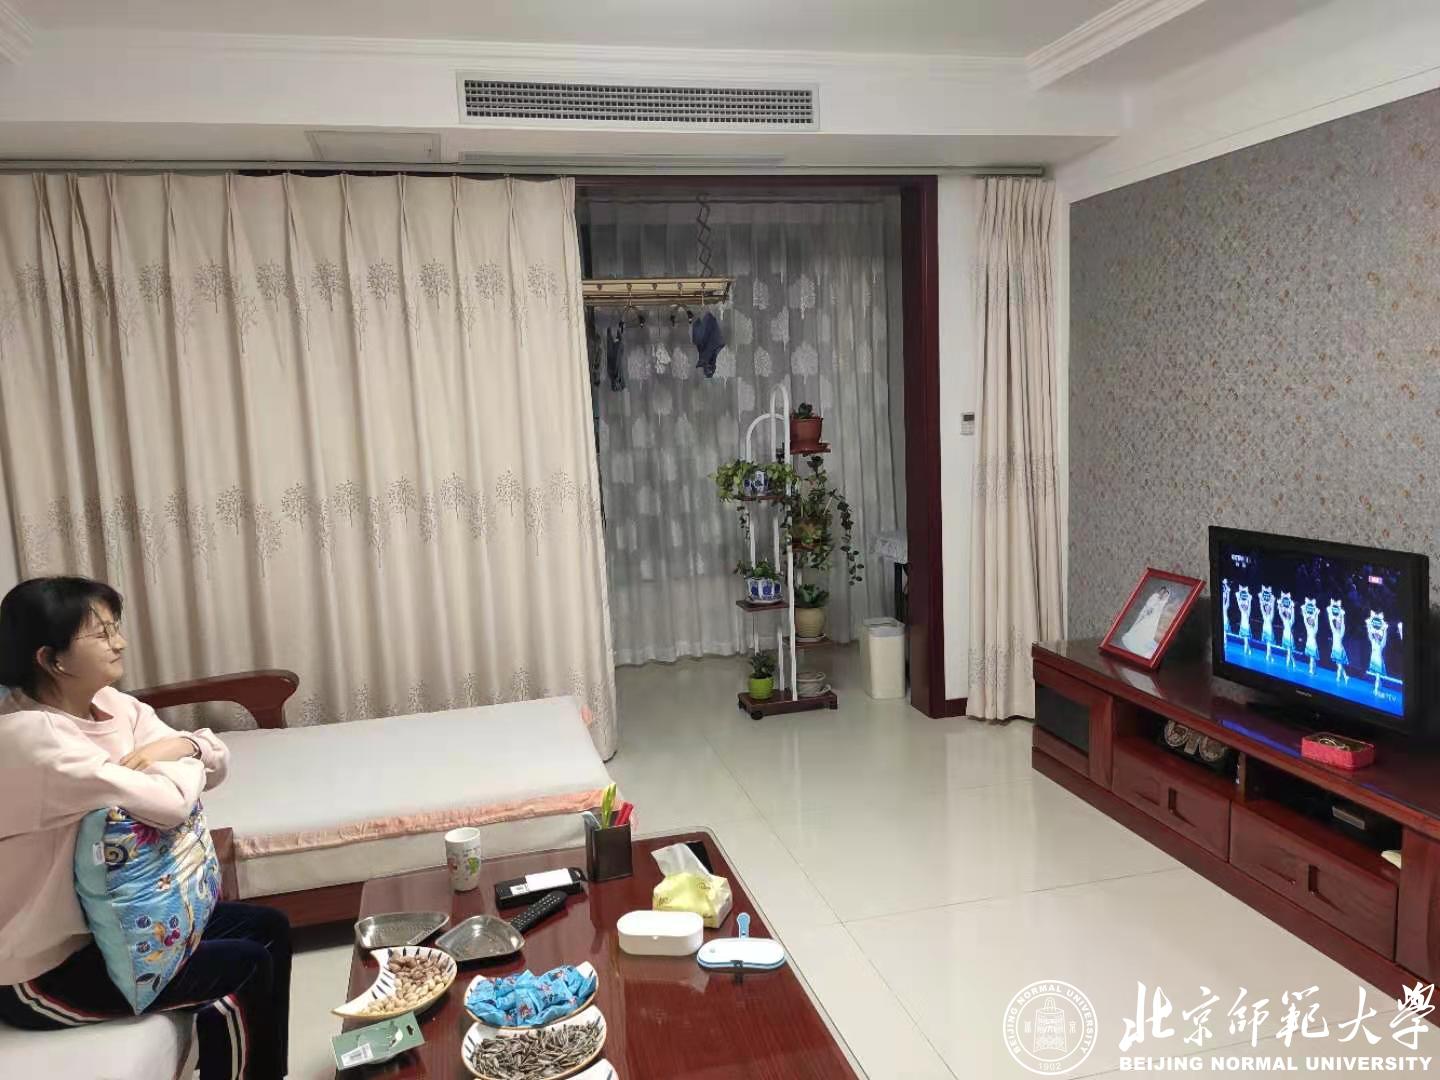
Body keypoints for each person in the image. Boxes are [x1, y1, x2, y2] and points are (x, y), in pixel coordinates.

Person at [0, 577, 290, 1080]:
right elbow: (172, 804)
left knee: (270, 928)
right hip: (45, 970)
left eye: (116, 627)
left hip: (120, 929)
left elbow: (216, 763)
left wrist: (184, 747)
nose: (120, 643)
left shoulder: (114, 705)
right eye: (101, 634)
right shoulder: (29, 740)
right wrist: (183, 755)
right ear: (51, 659)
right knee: (246, 963)